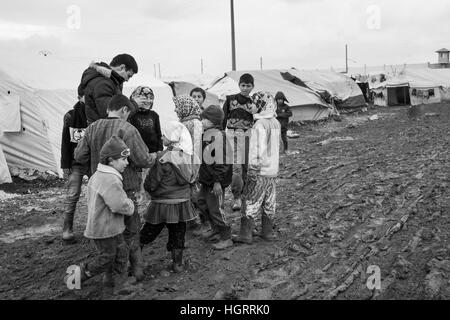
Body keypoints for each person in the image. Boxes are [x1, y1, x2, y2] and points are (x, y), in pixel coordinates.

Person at [74, 94, 156, 283]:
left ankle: (111, 276)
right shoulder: (128, 129)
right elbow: (143, 159)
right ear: (124, 110)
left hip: (100, 189)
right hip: (125, 189)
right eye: (129, 113)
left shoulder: (92, 127)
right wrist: (155, 156)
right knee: (131, 232)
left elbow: (79, 155)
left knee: (110, 235)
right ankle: (135, 271)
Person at [64, 136, 134, 292]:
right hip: (104, 229)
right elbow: (118, 205)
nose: (127, 163)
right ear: (111, 160)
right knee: (107, 257)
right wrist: (131, 206)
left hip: (108, 226)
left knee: (120, 252)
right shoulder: (110, 179)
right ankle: (78, 274)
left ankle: (115, 282)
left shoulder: (99, 175)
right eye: (123, 159)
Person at [140, 121, 198, 273]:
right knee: (178, 232)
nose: (161, 137)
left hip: (162, 203)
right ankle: (178, 264)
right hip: (181, 203)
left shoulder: (162, 158)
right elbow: (192, 178)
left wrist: (147, 189)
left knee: (149, 231)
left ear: (172, 137)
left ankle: (133, 261)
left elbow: (152, 182)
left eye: (164, 134)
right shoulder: (187, 156)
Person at [234, 92, 281, 244]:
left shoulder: (259, 125)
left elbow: (256, 150)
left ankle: (245, 234)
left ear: (261, 104)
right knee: (269, 202)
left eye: (254, 103)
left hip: (260, 171)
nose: (252, 106)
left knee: (251, 201)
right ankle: (267, 232)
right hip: (272, 171)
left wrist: (252, 171)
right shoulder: (276, 122)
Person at [197, 105, 233, 250]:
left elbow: (223, 161)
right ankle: (215, 228)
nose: (202, 121)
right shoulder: (206, 135)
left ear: (213, 121)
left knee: (216, 208)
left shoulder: (219, 137)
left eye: (205, 119)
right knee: (201, 203)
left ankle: (226, 236)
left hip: (215, 182)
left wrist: (218, 181)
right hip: (207, 180)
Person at [221, 73, 258, 211]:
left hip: (249, 136)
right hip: (232, 136)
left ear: (252, 86)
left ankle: (245, 195)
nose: (245, 88)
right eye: (243, 85)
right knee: (236, 168)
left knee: (246, 168)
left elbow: (257, 119)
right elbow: (223, 118)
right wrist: (220, 133)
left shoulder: (254, 102)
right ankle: (236, 197)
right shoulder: (230, 100)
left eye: (248, 86)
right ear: (239, 85)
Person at [173, 95, 207, 236]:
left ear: (185, 107)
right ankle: (194, 221)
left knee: (196, 194)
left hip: (193, 164)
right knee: (191, 193)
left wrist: (193, 167)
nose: (175, 109)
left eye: (178, 106)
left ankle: (203, 222)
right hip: (189, 164)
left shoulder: (193, 124)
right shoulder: (187, 122)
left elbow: (196, 147)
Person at [78, 54, 138, 125]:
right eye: (129, 76)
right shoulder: (103, 83)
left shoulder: (109, 81)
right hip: (102, 132)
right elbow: (112, 113)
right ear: (122, 67)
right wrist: (135, 105)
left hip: (99, 129)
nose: (127, 80)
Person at [60, 95, 89, 242]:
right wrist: (65, 165)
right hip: (75, 162)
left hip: (93, 162)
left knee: (96, 195)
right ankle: (67, 228)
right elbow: (65, 141)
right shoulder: (71, 116)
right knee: (72, 195)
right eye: (85, 96)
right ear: (79, 97)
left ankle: (93, 228)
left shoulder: (97, 114)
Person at [129, 86, 164, 203]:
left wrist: (159, 150)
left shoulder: (154, 115)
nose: (147, 101)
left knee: (151, 181)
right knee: (139, 183)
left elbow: (159, 134)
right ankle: (140, 203)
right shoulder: (131, 115)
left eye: (150, 98)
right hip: (137, 155)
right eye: (144, 99)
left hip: (152, 155)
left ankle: (151, 207)